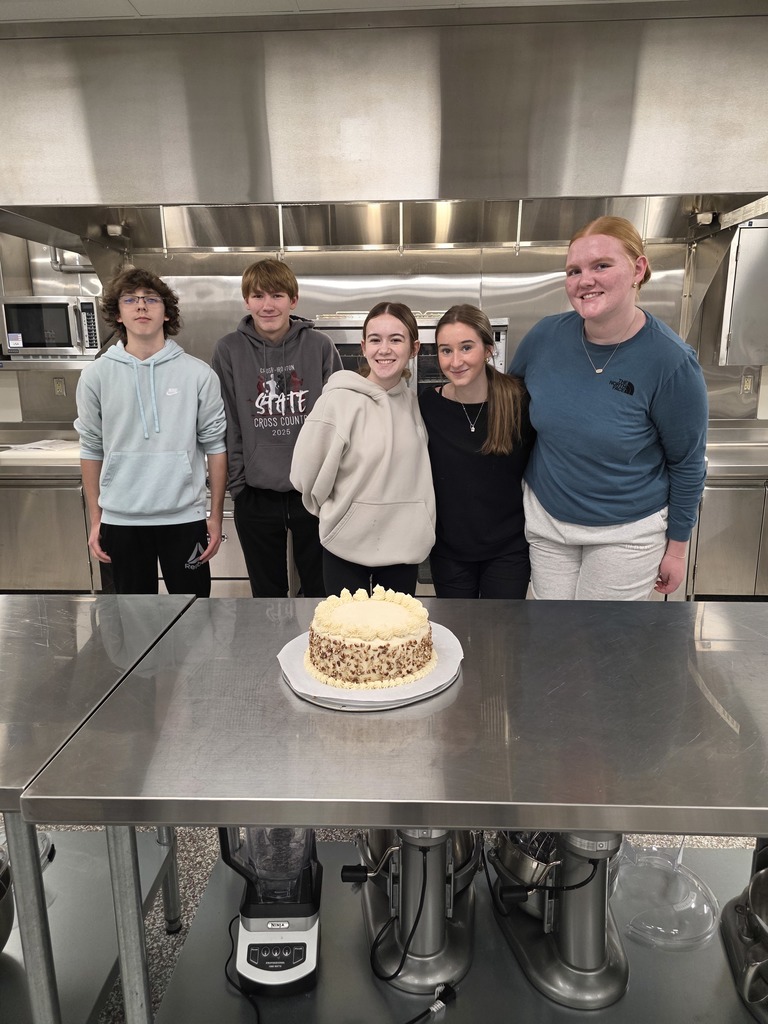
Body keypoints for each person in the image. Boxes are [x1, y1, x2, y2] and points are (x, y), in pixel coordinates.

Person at [509, 215, 708, 601]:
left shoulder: (671, 363)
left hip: (626, 532)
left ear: (638, 269)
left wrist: (678, 549)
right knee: (553, 636)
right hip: (548, 522)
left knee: (600, 648)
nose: (585, 280)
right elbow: (511, 406)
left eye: (601, 265)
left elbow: (687, 462)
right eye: (574, 270)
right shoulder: (545, 337)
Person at [75, 267, 227, 596]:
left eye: (150, 299)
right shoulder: (95, 376)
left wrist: (214, 517)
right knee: (130, 621)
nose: (141, 307)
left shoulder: (199, 375)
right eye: (130, 299)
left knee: (194, 616)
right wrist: (96, 518)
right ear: (117, 313)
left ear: (166, 312)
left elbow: (215, 447)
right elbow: (91, 448)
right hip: (122, 521)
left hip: (184, 519)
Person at [212, 259, 342, 598]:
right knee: (266, 595)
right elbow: (228, 421)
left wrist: (331, 484)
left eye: (277, 295)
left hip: (313, 494)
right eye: (257, 296)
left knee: (320, 591)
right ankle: (268, 651)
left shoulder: (320, 347)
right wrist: (238, 486)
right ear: (246, 301)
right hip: (255, 494)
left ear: (293, 301)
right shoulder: (228, 350)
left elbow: (338, 419)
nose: (267, 305)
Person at [290, 301, 436, 597]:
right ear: (363, 346)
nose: (385, 349)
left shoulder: (413, 404)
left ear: (414, 348)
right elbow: (304, 475)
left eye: (396, 339)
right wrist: (341, 515)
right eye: (375, 339)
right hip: (345, 552)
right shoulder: (338, 402)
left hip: (402, 551)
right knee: (347, 640)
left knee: (394, 640)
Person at [419, 304, 534, 599]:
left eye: (466, 347)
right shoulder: (428, 406)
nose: (455, 361)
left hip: (508, 550)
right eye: (446, 350)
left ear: (487, 349)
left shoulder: (518, 400)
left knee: (504, 638)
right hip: (448, 551)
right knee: (458, 635)